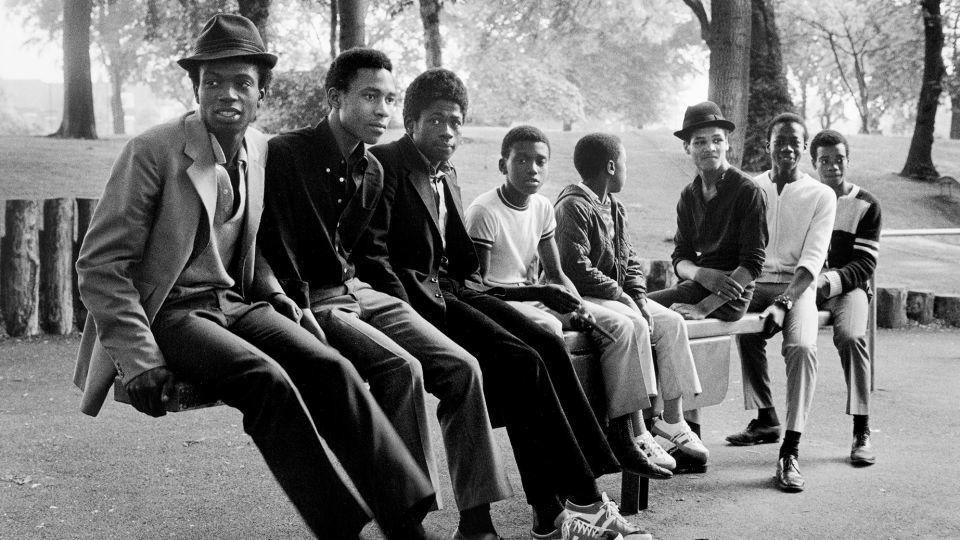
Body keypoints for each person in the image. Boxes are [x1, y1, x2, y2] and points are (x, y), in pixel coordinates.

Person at [72, 15, 442, 539]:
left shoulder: (259, 150)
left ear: (262, 93)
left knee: (330, 368)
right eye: (213, 82)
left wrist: (273, 294)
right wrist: (138, 358)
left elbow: (250, 246)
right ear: (196, 89)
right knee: (264, 380)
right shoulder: (153, 150)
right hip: (170, 313)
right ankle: (343, 531)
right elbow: (100, 266)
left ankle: (406, 525)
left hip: (234, 303)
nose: (227, 93)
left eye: (242, 82)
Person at [356, 68, 653, 540]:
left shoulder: (445, 174)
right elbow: (371, 257)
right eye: (435, 121)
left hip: (455, 292)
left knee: (545, 343)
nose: (448, 132)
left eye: (455, 121)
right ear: (410, 122)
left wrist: (511, 295)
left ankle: (565, 503)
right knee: (520, 363)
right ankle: (583, 500)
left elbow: (461, 261)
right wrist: (416, 310)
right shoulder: (386, 164)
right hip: (418, 304)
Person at [257, 48, 512, 540]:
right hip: (312, 298)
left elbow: (354, 249)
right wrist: (299, 304)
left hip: (358, 291)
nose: (384, 110)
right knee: (402, 369)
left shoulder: (372, 170)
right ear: (335, 97)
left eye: (390, 99)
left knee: (463, 368)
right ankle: (407, 520)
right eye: (370, 96)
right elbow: (273, 242)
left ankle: (477, 520)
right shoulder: (288, 154)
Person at [464, 125, 677, 474]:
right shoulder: (484, 212)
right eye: (521, 160)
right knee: (552, 329)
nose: (532, 169)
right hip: (501, 301)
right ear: (503, 165)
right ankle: (577, 436)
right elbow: (479, 285)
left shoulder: (543, 207)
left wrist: (578, 305)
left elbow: (557, 273)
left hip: (536, 295)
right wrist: (545, 295)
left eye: (540, 161)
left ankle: (625, 432)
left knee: (621, 326)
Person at [554, 133, 709, 472]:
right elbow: (574, 267)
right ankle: (636, 430)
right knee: (635, 323)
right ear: (611, 166)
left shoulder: (616, 207)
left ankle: (672, 418)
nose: (627, 170)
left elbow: (631, 261)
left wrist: (638, 297)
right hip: (583, 295)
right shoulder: (572, 206)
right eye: (624, 163)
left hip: (614, 295)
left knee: (670, 322)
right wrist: (623, 296)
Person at [725, 113, 836, 493]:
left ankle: (790, 449)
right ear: (767, 145)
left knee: (803, 347)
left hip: (797, 286)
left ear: (804, 149)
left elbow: (813, 260)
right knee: (736, 324)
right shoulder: (751, 188)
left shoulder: (821, 195)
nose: (787, 147)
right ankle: (764, 417)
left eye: (795, 141)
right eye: (780, 140)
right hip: (754, 280)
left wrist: (784, 302)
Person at [647, 101, 767, 323]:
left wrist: (703, 308)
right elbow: (681, 257)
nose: (710, 148)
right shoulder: (689, 195)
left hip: (730, 296)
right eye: (700, 142)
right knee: (636, 306)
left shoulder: (747, 190)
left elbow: (753, 263)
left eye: (717, 140)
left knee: (639, 306)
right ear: (687, 147)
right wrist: (701, 274)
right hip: (697, 284)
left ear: (727, 143)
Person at [809, 129, 881, 466]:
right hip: (804, 284)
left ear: (847, 161)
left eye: (839, 159)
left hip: (848, 289)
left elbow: (865, 263)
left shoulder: (866, 204)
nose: (833, 166)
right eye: (825, 160)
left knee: (852, 336)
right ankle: (766, 417)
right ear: (814, 164)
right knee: (756, 320)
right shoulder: (806, 197)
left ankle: (861, 429)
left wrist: (830, 281)